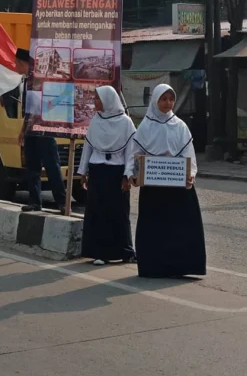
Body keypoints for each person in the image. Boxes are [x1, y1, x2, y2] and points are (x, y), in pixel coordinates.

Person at [130, 84, 206, 278]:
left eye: (171, 99)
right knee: (155, 229)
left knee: (179, 228)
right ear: (156, 101)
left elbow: (190, 155)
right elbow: (136, 155)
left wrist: (191, 175)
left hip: (177, 185)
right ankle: (154, 266)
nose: (168, 103)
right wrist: (134, 174)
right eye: (163, 99)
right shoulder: (145, 127)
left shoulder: (180, 126)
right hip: (153, 187)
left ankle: (181, 267)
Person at [78, 86, 137, 265]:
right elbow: (88, 147)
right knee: (98, 211)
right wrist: (82, 172)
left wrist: (128, 175)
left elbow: (131, 152)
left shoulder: (125, 123)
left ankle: (125, 251)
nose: (94, 101)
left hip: (116, 172)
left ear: (108, 100)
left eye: (98, 98)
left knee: (119, 212)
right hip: (98, 170)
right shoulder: (95, 121)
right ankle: (100, 253)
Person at [15, 48, 67, 214]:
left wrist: (49, 110)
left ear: (23, 63)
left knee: (52, 167)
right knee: (32, 168)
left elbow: (59, 97)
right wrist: (23, 130)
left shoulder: (42, 78)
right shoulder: (25, 81)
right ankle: (34, 201)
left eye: (17, 64)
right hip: (31, 130)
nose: (16, 67)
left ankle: (62, 202)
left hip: (45, 129)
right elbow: (29, 109)